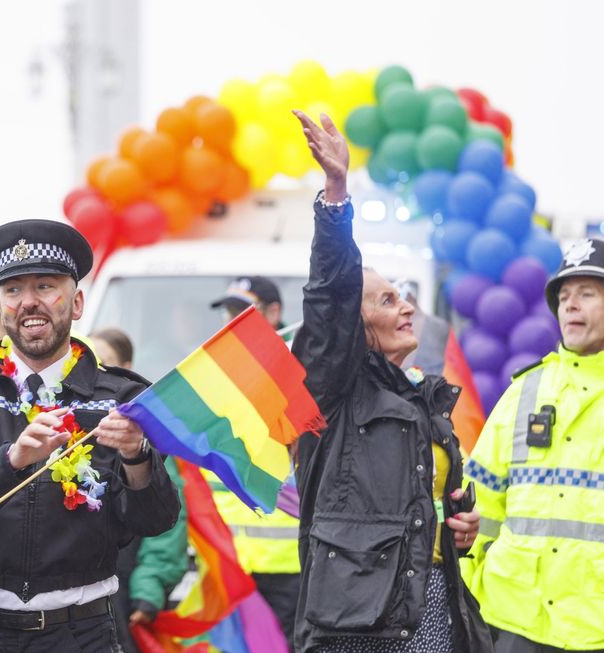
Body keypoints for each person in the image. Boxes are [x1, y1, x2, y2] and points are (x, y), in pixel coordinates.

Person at [0, 218, 181, 652]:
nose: (28, 303)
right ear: (1, 305)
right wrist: (12, 460)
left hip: (83, 633)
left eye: (45, 286)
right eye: (14, 290)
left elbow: (154, 520)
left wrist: (137, 456)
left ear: (77, 303)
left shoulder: (123, 396)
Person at [289, 112, 491, 653]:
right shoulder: (331, 392)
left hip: (429, 610)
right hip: (354, 627)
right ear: (355, 327)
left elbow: (424, 510)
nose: (406, 308)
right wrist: (336, 194)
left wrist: (458, 529)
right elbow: (330, 297)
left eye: (402, 297)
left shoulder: (426, 396)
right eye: (386, 300)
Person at [462, 237, 604, 652]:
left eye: (587, 294)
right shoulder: (525, 390)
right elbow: (478, 501)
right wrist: (478, 586)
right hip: (514, 621)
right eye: (564, 297)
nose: (571, 306)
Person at [206, 277, 302, 649]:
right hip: (232, 561)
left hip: (288, 562)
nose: (232, 321)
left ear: (275, 313)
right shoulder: (218, 379)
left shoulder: (298, 372)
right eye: (229, 313)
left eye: (243, 311)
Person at [90, 327, 189, 653]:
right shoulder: (70, 426)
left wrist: (149, 588)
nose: (96, 373)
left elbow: (165, 519)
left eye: (105, 363)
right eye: (88, 363)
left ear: (126, 368)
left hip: (126, 590)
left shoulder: (145, 437)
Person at [211, 275, 289, 340]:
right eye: (228, 310)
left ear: (273, 312)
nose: (231, 320)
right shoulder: (222, 355)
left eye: (244, 313)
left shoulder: (296, 355)